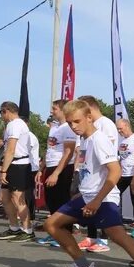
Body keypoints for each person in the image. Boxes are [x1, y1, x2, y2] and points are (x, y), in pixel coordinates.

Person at [44, 100, 134, 267]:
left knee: (117, 235)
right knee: (51, 224)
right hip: (87, 196)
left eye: (77, 121)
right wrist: (82, 195)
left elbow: (115, 171)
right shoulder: (84, 139)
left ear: (89, 117)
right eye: (69, 123)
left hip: (103, 198)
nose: (73, 126)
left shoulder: (99, 139)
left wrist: (97, 201)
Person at [74, 96, 120, 253]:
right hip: (89, 173)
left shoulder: (106, 124)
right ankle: (92, 237)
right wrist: (79, 168)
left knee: (104, 209)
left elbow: (110, 149)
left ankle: (103, 239)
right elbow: (83, 151)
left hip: (103, 173)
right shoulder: (87, 127)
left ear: (90, 108)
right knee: (88, 204)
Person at [0, 102, 35, 242]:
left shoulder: (15, 124)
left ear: (7, 111)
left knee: (18, 198)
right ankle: (14, 227)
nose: (1, 116)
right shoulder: (12, 125)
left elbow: (11, 149)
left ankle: (27, 229)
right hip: (12, 164)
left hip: (19, 165)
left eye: (1, 112)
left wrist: (3, 170)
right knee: (5, 197)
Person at [38, 102, 78, 245]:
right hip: (51, 165)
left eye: (54, 109)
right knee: (51, 201)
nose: (52, 111)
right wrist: (41, 168)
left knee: (62, 201)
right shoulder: (55, 127)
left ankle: (65, 233)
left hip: (62, 168)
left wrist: (56, 173)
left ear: (63, 110)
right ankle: (55, 233)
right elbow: (49, 149)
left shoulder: (68, 128)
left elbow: (69, 151)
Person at [116, 118, 134, 238]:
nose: (119, 131)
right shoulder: (121, 140)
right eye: (117, 129)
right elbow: (120, 158)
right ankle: (117, 222)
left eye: (120, 128)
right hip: (123, 174)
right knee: (114, 195)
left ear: (127, 126)